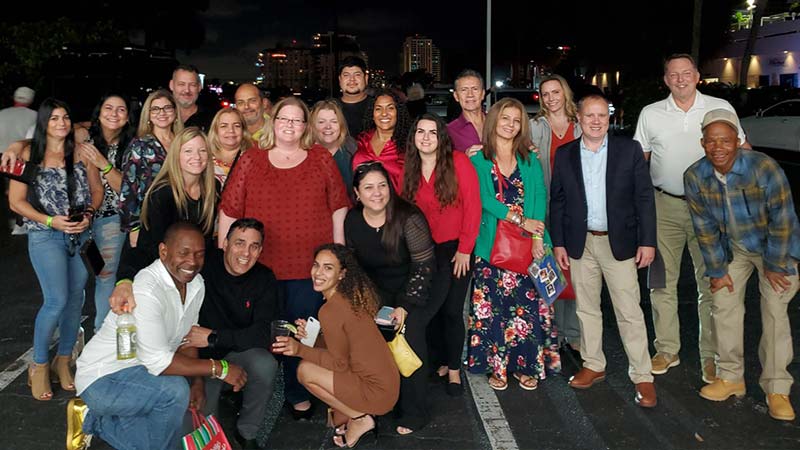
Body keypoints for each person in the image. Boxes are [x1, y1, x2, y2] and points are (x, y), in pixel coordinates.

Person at [219, 96, 350, 420]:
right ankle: (245, 391)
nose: (290, 125)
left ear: (305, 126)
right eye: (284, 119)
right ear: (273, 122)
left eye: (297, 120)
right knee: (259, 334)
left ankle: (297, 390)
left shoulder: (319, 158)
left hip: (309, 269)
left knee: (303, 334)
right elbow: (230, 210)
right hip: (259, 268)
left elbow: (339, 206)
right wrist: (226, 254)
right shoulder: (252, 159)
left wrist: (338, 253)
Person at [75, 222, 247, 450]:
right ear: (163, 251)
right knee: (174, 392)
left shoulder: (196, 284)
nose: (193, 262)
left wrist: (197, 382)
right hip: (103, 379)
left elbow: (188, 339)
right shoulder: (147, 289)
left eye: (199, 254)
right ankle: (96, 420)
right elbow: (160, 362)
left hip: (142, 375)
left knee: (164, 429)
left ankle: (106, 422)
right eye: (184, 253)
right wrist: (220, 368)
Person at [633, 53, 749, 382]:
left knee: (711, 282)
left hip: (710, 207)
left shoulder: (720, 108)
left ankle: (710, 356)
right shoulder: (651, 113)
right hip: (663, 205)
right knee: (661, 282)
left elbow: (743, 151)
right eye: (674, 74)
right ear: (666, 79)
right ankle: (667, 349)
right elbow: (638, 162)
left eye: (687, 73)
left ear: (697, 75)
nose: (680, 79)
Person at [685, 109, 800, 422]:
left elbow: (783, 218)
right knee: (722, 304)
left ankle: (777, 387)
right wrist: (717, 270)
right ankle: (731, 377)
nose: (718, 147)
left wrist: (776, 264)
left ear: (738, 141)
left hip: (773, 248)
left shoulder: (763, 167)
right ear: (703, 143)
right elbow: (704, 229)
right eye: (711, 141)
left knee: (775, 311)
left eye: (725, 140)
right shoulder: (695, 175)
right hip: (733, 248)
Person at [550, 94, 657, 407]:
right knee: (587, 309)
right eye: (589, 116)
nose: (595, 121)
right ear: (578, 119)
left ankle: (642, 376)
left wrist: (647, 241)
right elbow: (558, 201)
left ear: (608, 119)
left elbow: (644, 198)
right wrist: (558, 242)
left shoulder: (628, 150)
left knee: (629, 311)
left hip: (619, 243)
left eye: (601, 116)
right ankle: (593, 364)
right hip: (580, 242)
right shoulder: (566, 153)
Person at [8, 98, 103, 400]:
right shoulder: (27, 153)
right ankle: (38, 365)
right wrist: (50, 221)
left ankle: (64, 361)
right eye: (54, 119)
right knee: (56, 300)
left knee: (77, 299)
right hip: (44, 235)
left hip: (77, 235)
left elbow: (97, 189)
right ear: (44, 123)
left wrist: (88, 213)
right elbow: (16, 201)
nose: (61, 123)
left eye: (65, 118)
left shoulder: (80, 153)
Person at [467, 97, 560, 392]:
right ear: (494, 121)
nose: (510, 124)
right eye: (505, 118)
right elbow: (482, 199)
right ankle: (498, 367)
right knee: (493, 311)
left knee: (527, 311)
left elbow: (538, 198)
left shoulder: (530, 159)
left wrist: (536, 238)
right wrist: (517, 219)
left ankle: (525, 366)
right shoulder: (478, 159)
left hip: (528, 245)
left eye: (516, 120)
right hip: (490, 246)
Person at [273, 243, 400, 448]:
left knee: (305, 370)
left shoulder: (330, 310)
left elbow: (339, 363)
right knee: (312, 363)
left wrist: (299, 349)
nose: (318, 273)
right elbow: (342, 347)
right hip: (388, 385)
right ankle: (355, 416)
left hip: (376, 392)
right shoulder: (349, 298)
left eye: (328, 267)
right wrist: (313, 337)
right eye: (316, 265)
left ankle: (360, 418)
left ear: (342, 274)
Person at [345, 162, 435, 434]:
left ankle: (414, 411)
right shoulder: (353, 220)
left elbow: (424, 267)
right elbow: (354, 266)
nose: (377, 193)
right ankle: (384, 403)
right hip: (376, 290)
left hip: (412, 287)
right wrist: (365, 303)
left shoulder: (409, 218)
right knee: (373, 344)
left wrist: (405, 306)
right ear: (357, 193)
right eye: (368, 187)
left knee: (408, 339)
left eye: (382, 185)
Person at [181, 218, 280, 448]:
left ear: (260, 251)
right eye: (239, 243)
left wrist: (214, 337)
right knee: (204, 423)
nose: (246, 252)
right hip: (202, 358)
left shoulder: (264, 278)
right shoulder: (204, 263)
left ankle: (247, 433)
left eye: (254, 246)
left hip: (235, 351)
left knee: (265, 364)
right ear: (224, 243)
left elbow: (263, 332)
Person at [402, 113, 480, 396]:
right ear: (414, 137)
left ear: (441, 137)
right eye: (420, 132)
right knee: (428, 311)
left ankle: (454, 370)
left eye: (432, 132)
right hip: (422, 252)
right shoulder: (409, 167)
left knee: (450, 311)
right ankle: (439, 362)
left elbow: (473, 207)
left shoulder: (459, 162)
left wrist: (465, 249)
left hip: (454, 249)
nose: (425, 137)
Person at [110, 127, 218, 314]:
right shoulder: (162, 193)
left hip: (194, 269)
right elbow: (150, 246)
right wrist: (126, 280)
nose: (197, 156)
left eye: (202, 150)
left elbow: (206, 240)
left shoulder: (212, 189)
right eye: (188, 151)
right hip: (161, 269)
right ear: (177, 155)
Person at [72, 93, 137, 331]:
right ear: (98, 113)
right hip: (77, 219)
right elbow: (47, 132)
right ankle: (72, 336)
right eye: (108, 108)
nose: (114, 113)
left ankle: (102, 332)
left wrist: (104, 163)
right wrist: (18, 145)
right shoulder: (83, 137)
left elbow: (127, 190)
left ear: (128, 118)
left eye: (121, 110)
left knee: (105, 277)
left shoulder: (132, 146)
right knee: (75, 281)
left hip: (111, 217)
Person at [529, 74, 583, 353]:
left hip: (575, 209)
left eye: (555, 92)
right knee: (548, 271)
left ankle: (572, 332)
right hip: (545, 209)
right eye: (545, 93)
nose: (551, 98)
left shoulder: (580, 125)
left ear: (565, 93)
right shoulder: (535, 126)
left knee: (574, 270)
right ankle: (551, 331)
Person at [119, 89, 183, 244]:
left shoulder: (183, 142)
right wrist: (133, 229)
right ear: (148, 114)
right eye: (155, 109)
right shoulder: (139, 146)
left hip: (181, 217)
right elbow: (128, 190)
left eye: (167, 107)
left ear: (175, 112)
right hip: (149, 220)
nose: (162, 113)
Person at [351, 89, 411, 192]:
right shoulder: (361, 140)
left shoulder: (409, 145)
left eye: (390, 108)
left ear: (398, 113)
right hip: (363, 206)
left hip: (398, 206)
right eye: (378, 109)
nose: (384, 113)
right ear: (372, 114)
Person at [310, 99, 356, 194]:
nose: (328, 126)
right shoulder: (303, 154)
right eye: (321, 122)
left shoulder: (352, 150)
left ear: (341, 125)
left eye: (334, 121)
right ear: (313, 126)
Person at [207, 107, 251, 188]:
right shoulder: (204, 159)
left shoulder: (253, 159)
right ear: (216, 130)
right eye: (224, 126)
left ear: (243, 130)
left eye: (236, 126)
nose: (231, 130)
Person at [447, 69, 485, 156]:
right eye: (464, 90)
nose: (470, 95)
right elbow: (444, 165)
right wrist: (464, 159)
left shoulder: (497, 124)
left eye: (475, 89)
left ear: (482, 94)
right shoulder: (450, 131)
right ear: (456, 96)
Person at [169, 64, 215, 131]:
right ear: (171, 85)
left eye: (192, 85)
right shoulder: (161, 118)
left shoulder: (213, 119)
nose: (187, 90)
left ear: (199, 87)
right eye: (181, 84)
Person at [336, 56, 371, 138]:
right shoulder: (330, 108)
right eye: (346, 75)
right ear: (340, 80)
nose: (352, 79)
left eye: (357, 75)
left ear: (366, 78)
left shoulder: (377, 106)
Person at [0, 86, 36, 153]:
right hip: (19, 157)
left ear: (14, 98)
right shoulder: (35, 115)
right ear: (31, 100)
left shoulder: (1, 113)